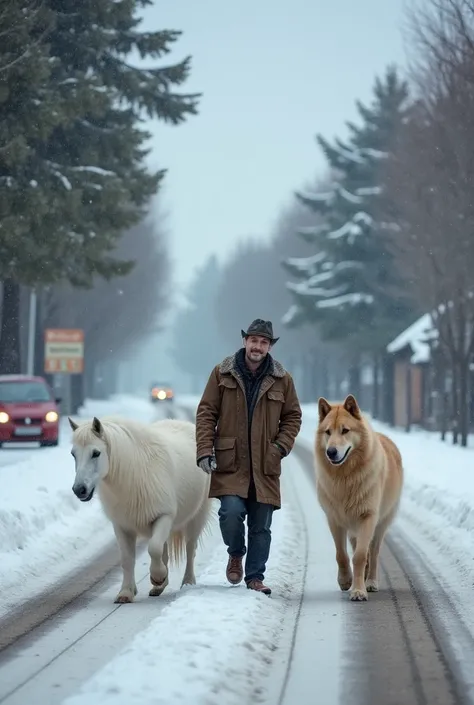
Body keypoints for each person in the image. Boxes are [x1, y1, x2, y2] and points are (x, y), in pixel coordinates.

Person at [195, 318, 302, 595]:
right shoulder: (222, 373)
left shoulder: (283, 379)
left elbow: (293, 416)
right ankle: (235, 552)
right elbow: (206, 412)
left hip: (265, 463)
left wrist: (280, 447)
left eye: (263, 342)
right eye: (253, 340)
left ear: (269, 346)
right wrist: (205, 450)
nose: (258, 346)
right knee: (230, 512)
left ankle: (255, 577)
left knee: (261, 525)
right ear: (245, 342)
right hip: (231, 461)